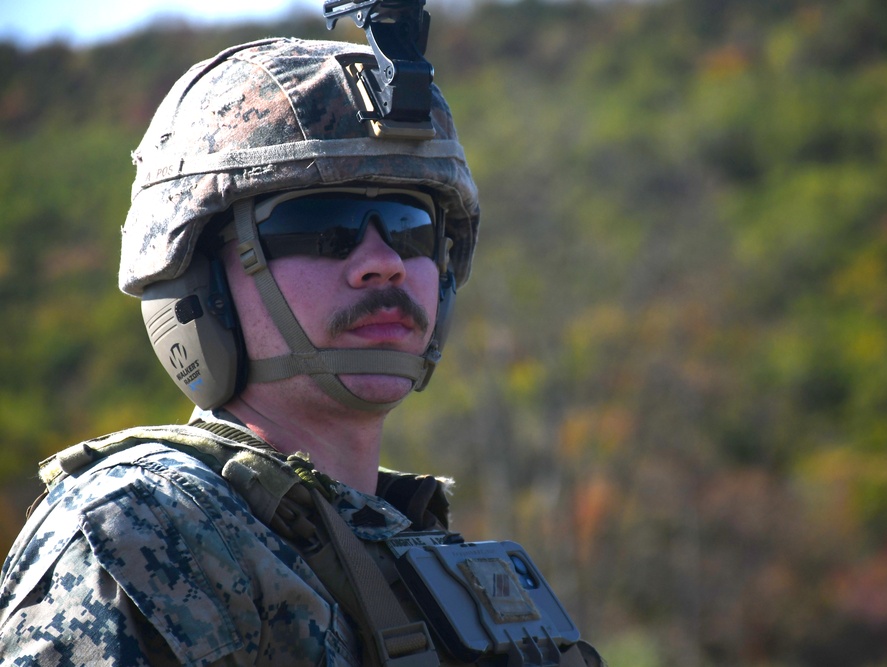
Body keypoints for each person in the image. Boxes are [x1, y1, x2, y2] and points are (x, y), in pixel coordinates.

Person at [0, 37, 603, 666]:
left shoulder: (425, 553)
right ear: (197, 281)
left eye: (410, 226)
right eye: (324, 228)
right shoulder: (140, 532)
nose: (385, 264)